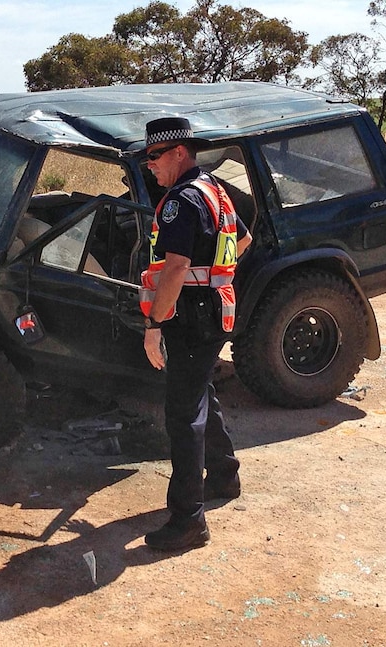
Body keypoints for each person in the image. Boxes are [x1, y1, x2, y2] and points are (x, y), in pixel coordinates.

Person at [140, 116, 253, 552]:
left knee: (182, 415)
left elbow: (175, 268)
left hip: (190, 318)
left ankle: (188, 521)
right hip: (214, 312)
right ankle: (224, 474)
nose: (150, 165)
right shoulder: (214, 191)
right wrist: (215, 277)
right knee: (200, 392)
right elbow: (241, 241)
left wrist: (153, 325)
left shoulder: (180, 202)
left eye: (154, 156)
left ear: (179, 152)